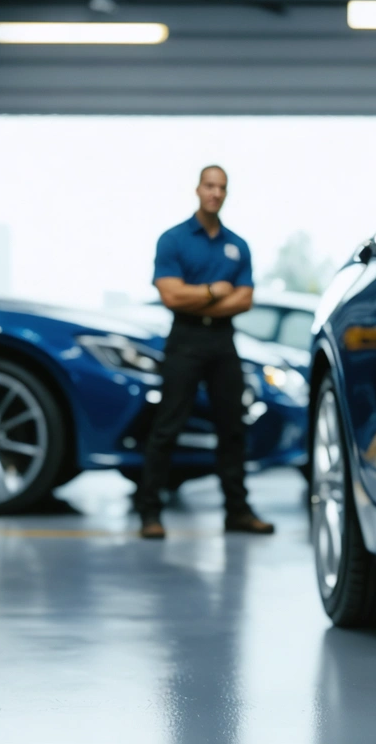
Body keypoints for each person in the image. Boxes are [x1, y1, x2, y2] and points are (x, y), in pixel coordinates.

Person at [135, 165, 276, 539]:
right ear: (198, 189)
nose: (215, 193)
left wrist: (195, 297)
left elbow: (245, 300)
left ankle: (237, 512)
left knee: (232, 428)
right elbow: (170, 296)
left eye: (222, 187)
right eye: (209, 186)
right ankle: (150, 512)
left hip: (223, 343)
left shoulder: (238, 244)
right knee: (167, 426)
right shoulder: (174, 240)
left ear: (226, 193)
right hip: (184, 340)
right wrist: (215, 291)